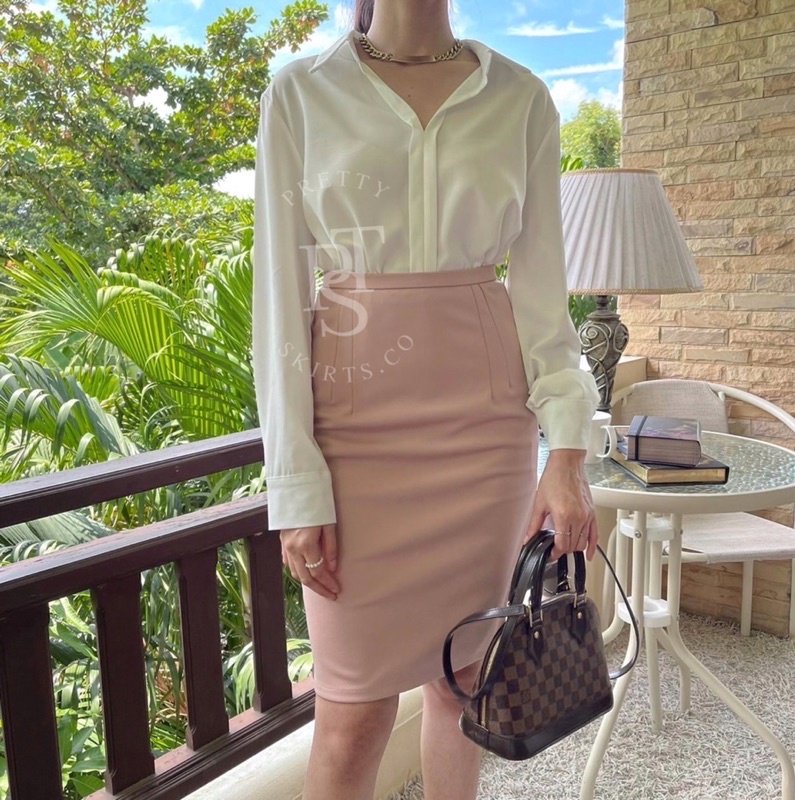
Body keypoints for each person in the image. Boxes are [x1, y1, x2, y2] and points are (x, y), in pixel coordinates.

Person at [251, 1, 602, 798]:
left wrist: (567, 453)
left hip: (486, 433)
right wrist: (295, 485)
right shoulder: (299, 92)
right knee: (351, 717)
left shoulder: (521, 96)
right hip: (352, 434)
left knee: (465, 683)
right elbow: (278, 299)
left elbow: (542, 297)